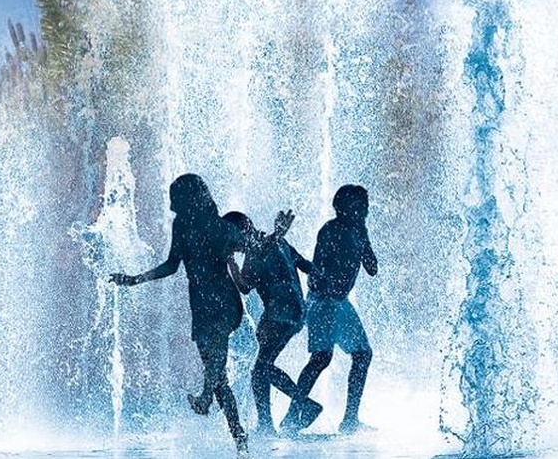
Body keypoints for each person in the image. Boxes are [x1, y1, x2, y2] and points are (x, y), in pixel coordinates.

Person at [109, 174, 250, 454]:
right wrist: (136, 279)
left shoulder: (219, 227)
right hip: (200, 305)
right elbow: (173, 265)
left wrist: (276, 236)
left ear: (189, 199)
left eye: (176, 198)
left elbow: (253, 244)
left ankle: (205, 397)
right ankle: (239, 436)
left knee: (216, 362)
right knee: (220, 376)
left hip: (223, 302)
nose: (172, 206)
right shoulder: (182, 225)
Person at [280, 184, 378, 435]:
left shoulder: (359, 231)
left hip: (340, 303)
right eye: (359, 206)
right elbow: (317, 270)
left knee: (362, 354)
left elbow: (372, 267)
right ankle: (292, 416)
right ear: (342, 208)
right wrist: (320, 289)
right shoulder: (331, 230)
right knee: (321, 358)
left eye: (365, 207)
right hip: (323, 301)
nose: (364, 211)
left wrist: (365, 241)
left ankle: (350, 419)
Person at [222, 211, 323, 436]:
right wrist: (321, 279)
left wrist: (230, 261)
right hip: (295, 313)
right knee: (263, 367)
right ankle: (294, 410)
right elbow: (306, 265)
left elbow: (245, 286)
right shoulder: (279, 243)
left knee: (260, 368)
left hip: (281, 315)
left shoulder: (260, 248)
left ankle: (282, 417)